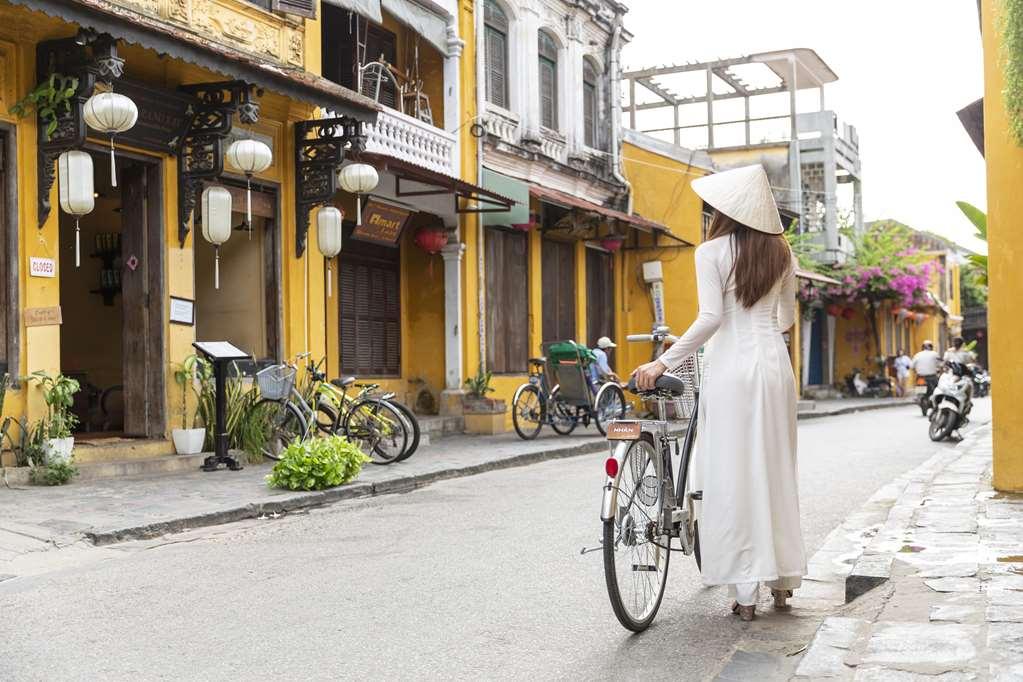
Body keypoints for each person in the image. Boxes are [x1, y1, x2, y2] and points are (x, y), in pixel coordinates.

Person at [632, 164, 805, 622]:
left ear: (727, 210)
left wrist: (663, 360)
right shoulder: (783, 254)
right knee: (774, 469)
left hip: (730, 370)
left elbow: (710, 318)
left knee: (733, 474)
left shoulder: (710, 252)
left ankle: (744, 594)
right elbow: (785, 319)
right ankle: (783, 584)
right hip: (774, 367)